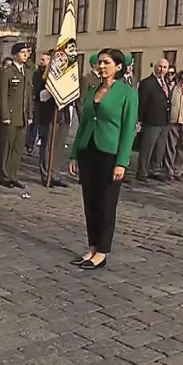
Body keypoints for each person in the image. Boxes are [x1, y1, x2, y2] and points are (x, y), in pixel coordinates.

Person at [68, 49, 138, 271]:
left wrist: (122, 162)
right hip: (89, 150)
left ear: (118, 66)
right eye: (99, 62)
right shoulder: (93, 90)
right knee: (90, 202)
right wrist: (74, 154)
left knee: (106, 204)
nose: (102, 66)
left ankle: (103, 252)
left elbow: (128, 130)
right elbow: (85, 123)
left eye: (107, 62)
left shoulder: (127, 93)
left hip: (110, 153)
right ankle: (92, 246)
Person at [34, 52, 73, 188]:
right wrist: (53, 91)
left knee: (58, 146)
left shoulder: (67, 75)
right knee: (47, 146)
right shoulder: (42, 74)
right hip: (50, 114)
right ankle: (46, 175)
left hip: (64, 114)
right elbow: (39, 95)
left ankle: (55, 174)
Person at [0, 42, 34, 188]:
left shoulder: (27, 71)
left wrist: (30, 113)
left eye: (27, 52)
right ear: (14, 55)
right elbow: (3, 95)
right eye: (22, 52)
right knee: (7, 146)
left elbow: (29, 95)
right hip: (11, 115)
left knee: (18, 148)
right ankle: (4, 175)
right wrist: (4, 114)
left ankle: (13, 175)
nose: (25, 55)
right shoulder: (7, 71)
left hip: (22, 115)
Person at [135, 58, 172, 182]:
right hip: (151, 120)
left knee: (160, 147)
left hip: (164, 121)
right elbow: (142, 102)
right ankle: (142, 171)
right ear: (155, 67)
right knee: (147, 147)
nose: (162, 69)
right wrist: (139, 120)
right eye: (160, 66)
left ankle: (155, 169)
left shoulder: (165, 82)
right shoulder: (147, 83)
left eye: (165, 67)